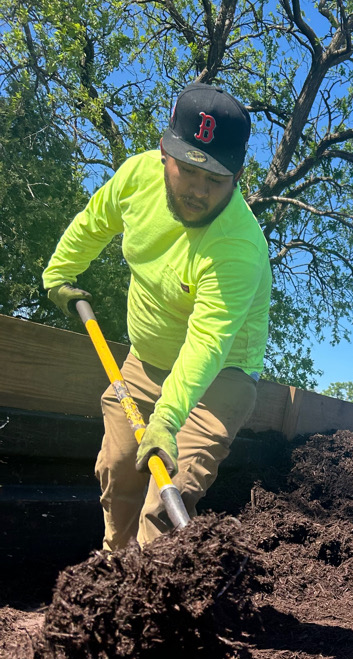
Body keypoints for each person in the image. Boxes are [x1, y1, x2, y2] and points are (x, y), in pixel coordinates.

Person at [43, 83, 270, 549]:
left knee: (167, 498)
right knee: (118, 467)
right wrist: (60, 272)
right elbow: (95, 221)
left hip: (218, 377)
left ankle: (152, 580)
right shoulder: (137, 178)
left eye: (216, 180)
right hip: (145, 360)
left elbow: (207, 342)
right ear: (164, 152)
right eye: (189, 170)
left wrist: (167, 418)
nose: (199, 191)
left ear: (238, 176)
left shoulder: (238, 246)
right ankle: (114, 566)